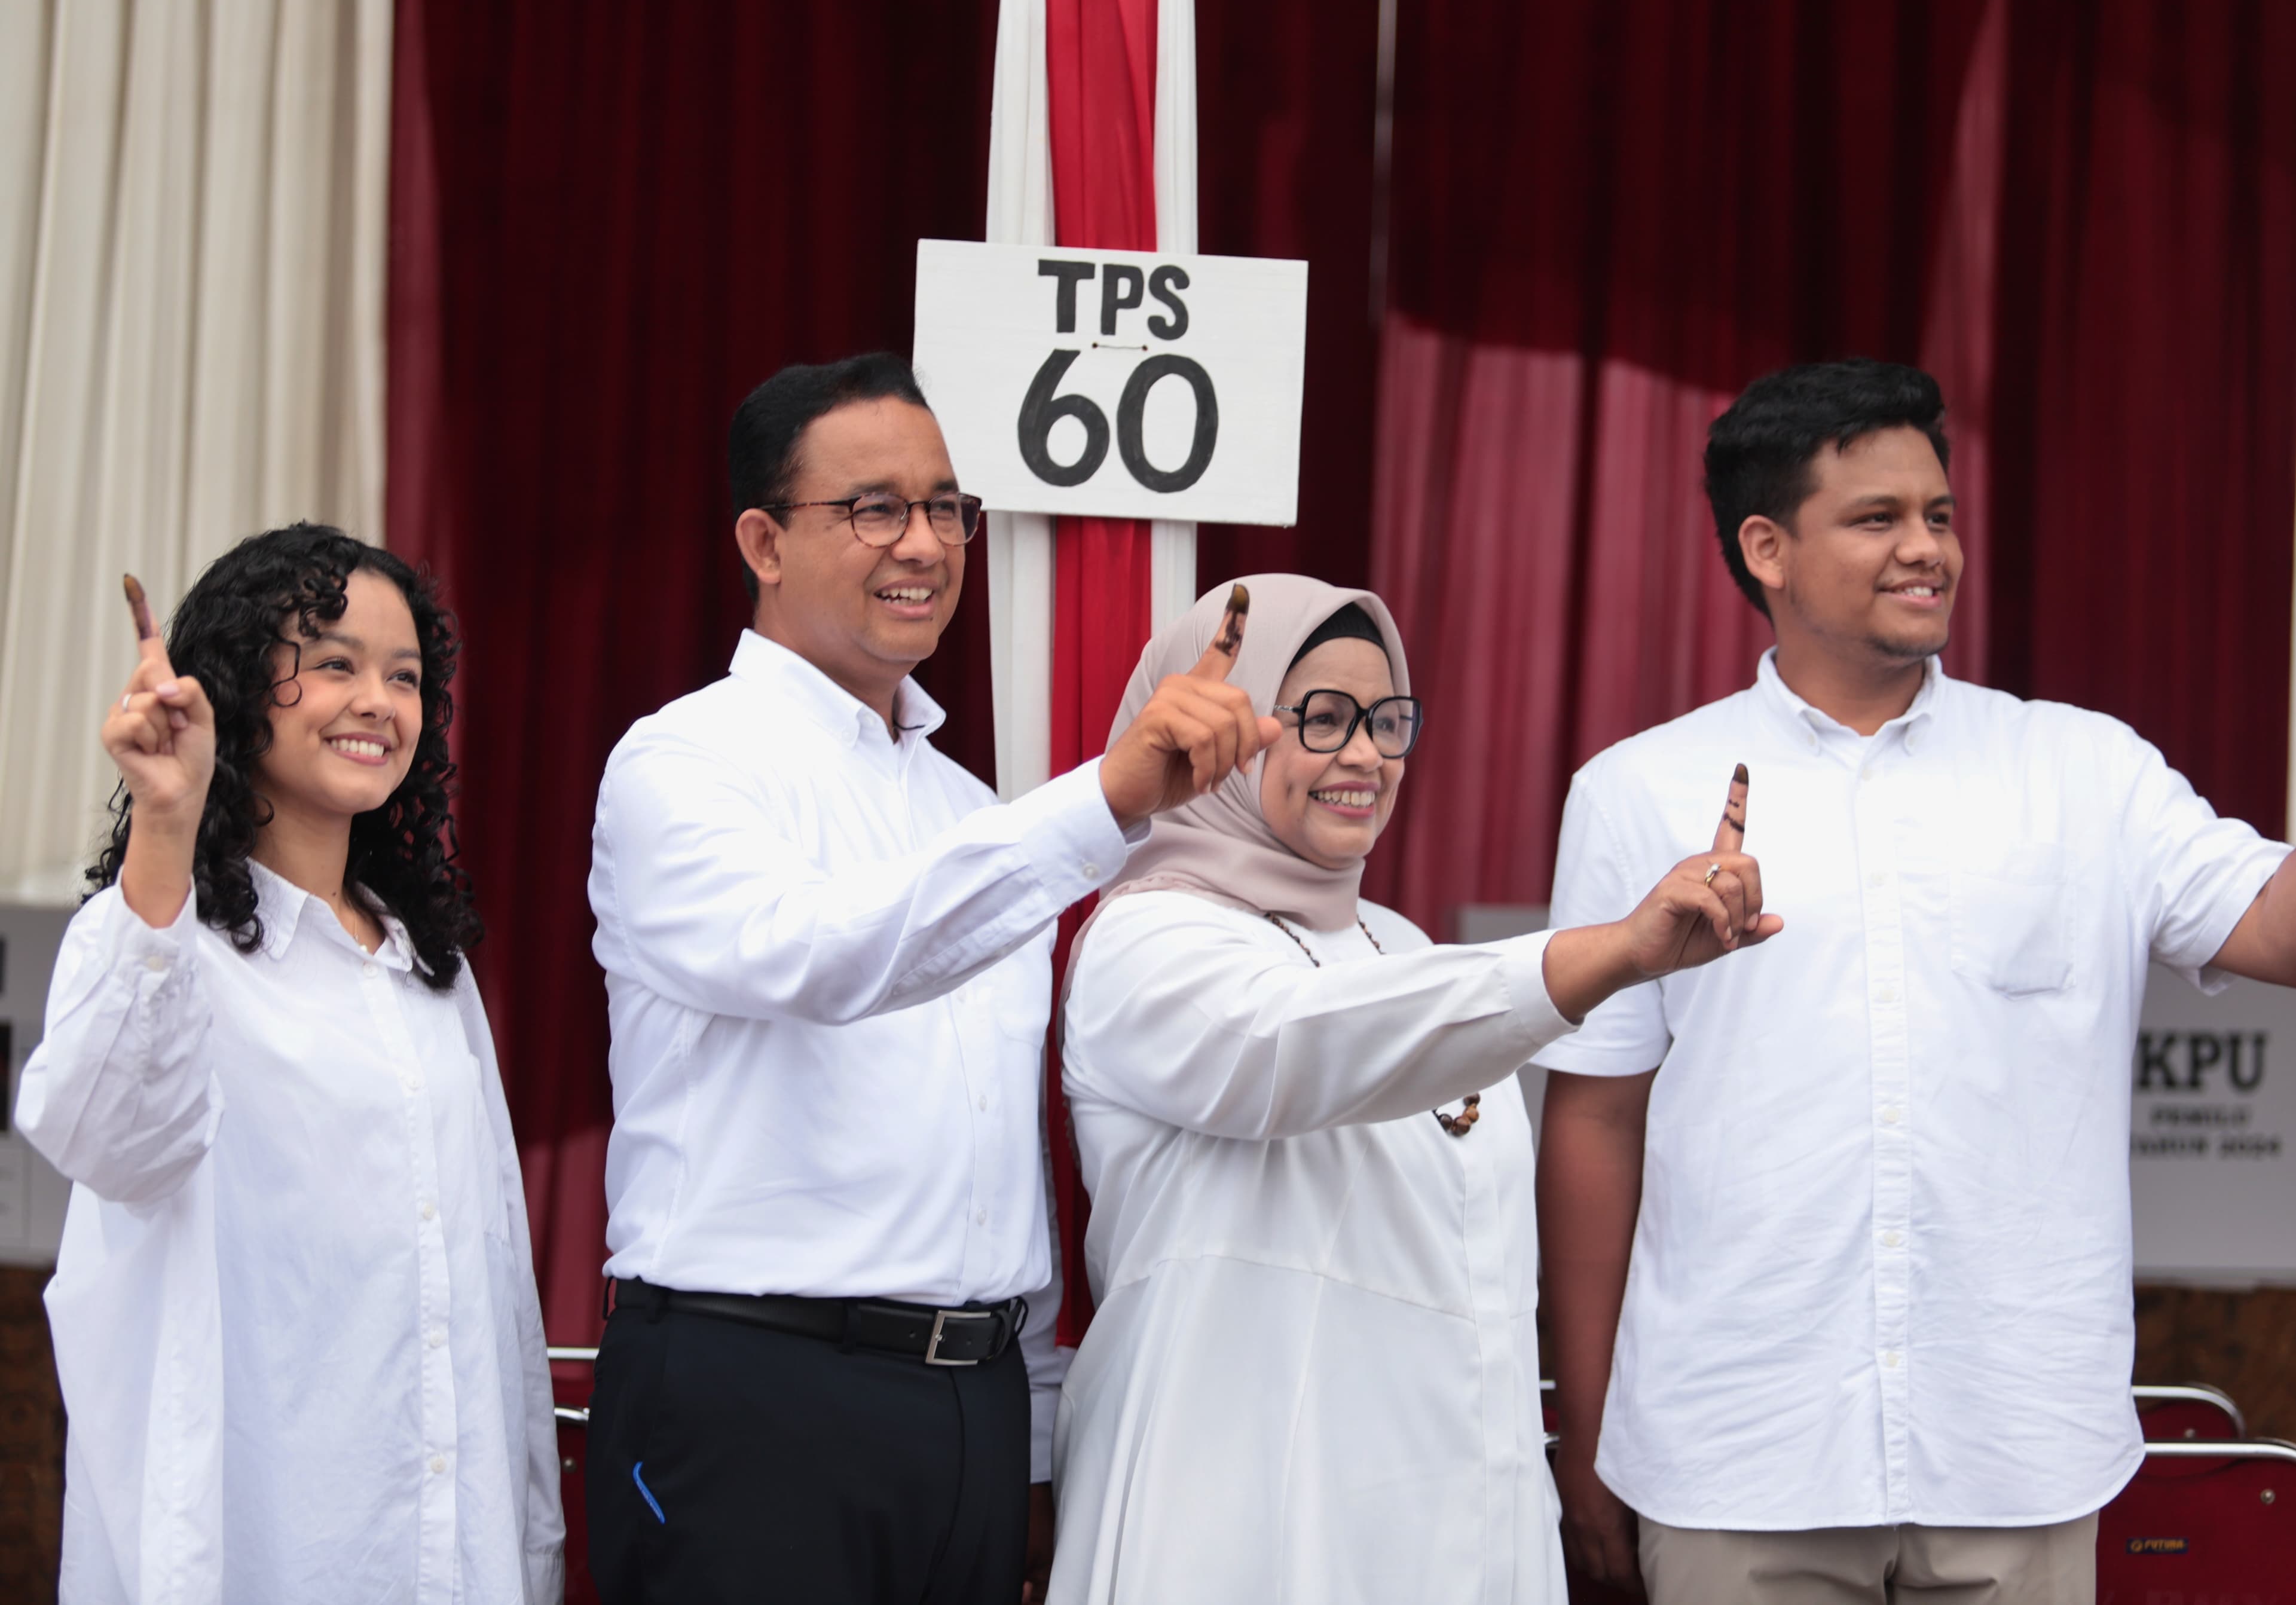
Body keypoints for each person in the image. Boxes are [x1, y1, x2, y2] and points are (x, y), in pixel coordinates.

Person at [1536, 358, 2296, 1604]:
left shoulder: (2080, 769)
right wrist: (1594, 1447)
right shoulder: (1637, 789)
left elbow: (2292, 937)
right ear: (1765, 547)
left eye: (1939, 515)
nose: (1925, 548)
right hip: (1734, 1454)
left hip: (2014, 1453)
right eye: (1877, 519)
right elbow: (1595, 1125)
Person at [583, 353, 1280, 1605]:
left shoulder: (971, 810)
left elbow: (998, 1146)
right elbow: (820, 953)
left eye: (947, 508)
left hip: (969, 1407)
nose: (924, 543)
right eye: (874, 509)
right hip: (755, 1387)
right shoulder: (683, 762)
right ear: (762, 540)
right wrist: (1106, 797)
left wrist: (1029, 1430)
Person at [1044, 574, 1777, 1605]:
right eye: (1322, 718)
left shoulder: (1403, 944)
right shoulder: (1146, 936)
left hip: (1440, 1515)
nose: (1366, 755)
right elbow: (1298, 1048)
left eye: (1387, 721)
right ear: (1220, 735)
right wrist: (1607, 956)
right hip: (1237, 1507)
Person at [17, 525, 563, 1604]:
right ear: (232, 685)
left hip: (451, 1564)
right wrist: (166, 828)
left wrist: (530, 1546)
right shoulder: (159, 938)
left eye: (404, 675)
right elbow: (103, 1138)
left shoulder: (430, 972)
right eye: (333, 662)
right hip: (255, 1552)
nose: (378, 700)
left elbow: (498, 1297)